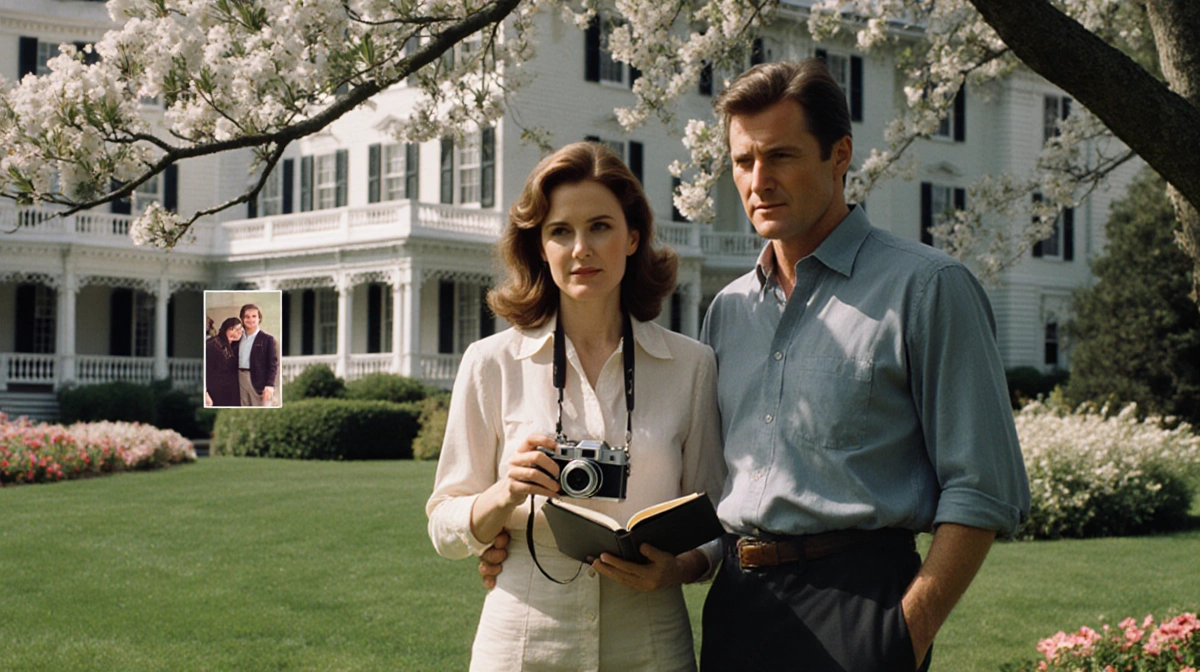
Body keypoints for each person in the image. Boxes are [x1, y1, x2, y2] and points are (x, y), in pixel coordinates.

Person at [479, 60, 1031, 671]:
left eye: (782, 157)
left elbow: (983, 488)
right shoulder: (730, 310)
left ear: (839, 154)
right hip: (739, 611)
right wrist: (681, 563)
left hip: (862, 606)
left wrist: (907, 630)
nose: (758, 180)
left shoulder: (928, 289)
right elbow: (724, 489)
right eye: (743, 162)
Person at [426, 142, 725, 672]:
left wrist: (680, 568)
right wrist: (504, 493)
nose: (581, 247)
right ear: (540, 247)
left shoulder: (691, 367)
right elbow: (444, 528)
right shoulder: (491, 363)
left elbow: (719, 524)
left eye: (601, 227)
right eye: (560, 231)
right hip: (522, 645)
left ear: (633, 238)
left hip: (651, 645)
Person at [235, 303, 279, 407]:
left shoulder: (267, 339)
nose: (250, 319)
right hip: (239, 379)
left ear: (259, 318)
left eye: (254, 316)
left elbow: (273, 365)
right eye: (247, 316)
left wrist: (269, 385)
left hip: (257, 380)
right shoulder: (237, 338)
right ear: (242, 318)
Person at [205, 317, 243, 407]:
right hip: (216, 393)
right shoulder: (213, 345)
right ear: (225, 329)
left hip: (231, 392)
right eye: (232, 329)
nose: (237, 332)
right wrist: (206, 394)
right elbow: (207, 370)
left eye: (240, 330)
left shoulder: (235, 345)